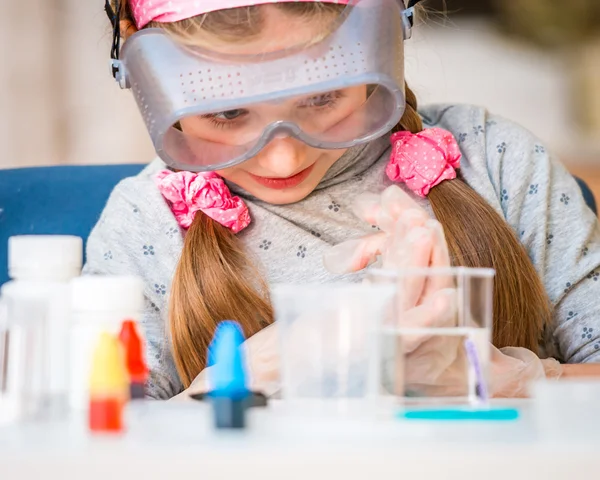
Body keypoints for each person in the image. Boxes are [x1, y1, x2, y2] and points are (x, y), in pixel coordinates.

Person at [85, 0, 600, 400]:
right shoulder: (146, 223)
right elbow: (87, 448)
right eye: (227, 114)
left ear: (380, 41)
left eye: (322, 97)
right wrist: (232, 384)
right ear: (144, 72)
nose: (283, 160)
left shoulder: (496, 161)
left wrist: (515, 379)